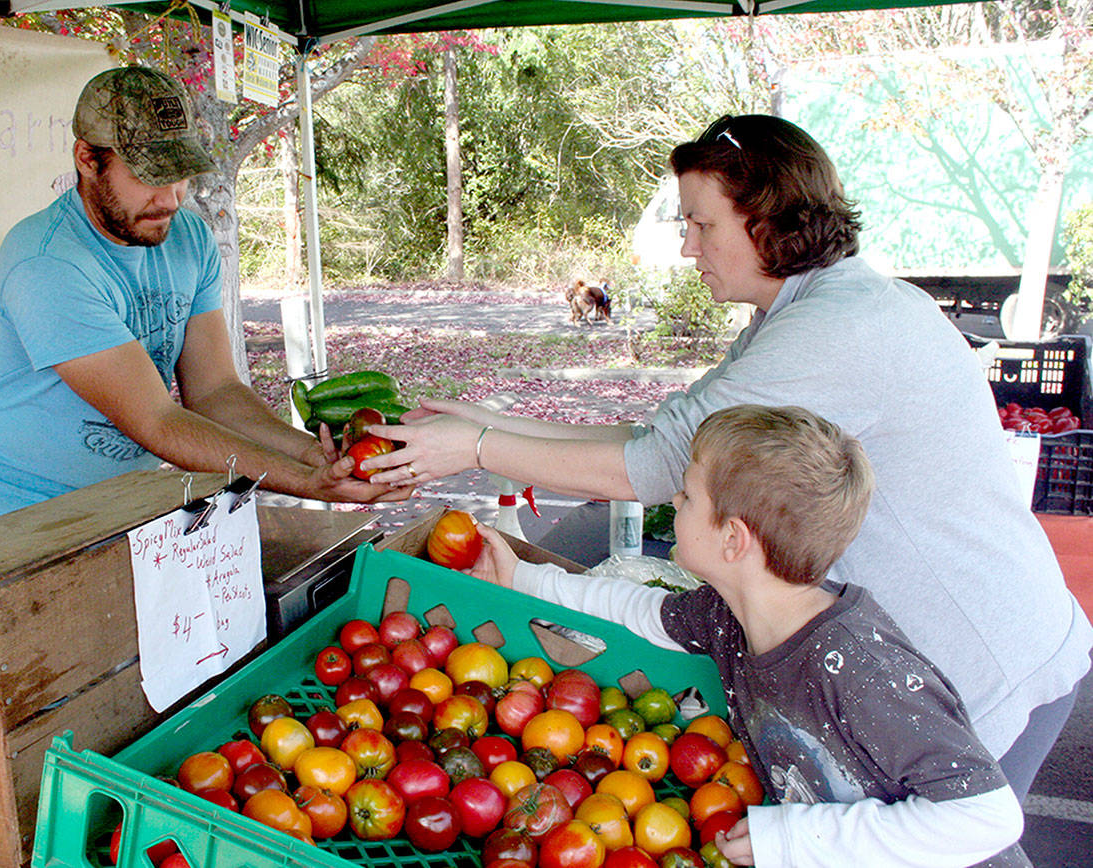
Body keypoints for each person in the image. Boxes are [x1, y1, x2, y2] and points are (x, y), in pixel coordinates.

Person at [369, 114, 1092, 796]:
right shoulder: (804, 311)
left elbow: (656, 468)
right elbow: (667, 439)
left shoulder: (838, 329)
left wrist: (478, 447)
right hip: (924, 655)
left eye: (702, 224)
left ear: (770, 221)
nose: (689, 247)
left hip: (979, 662)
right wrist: (491, 424)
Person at [468, 404, 1027, 867]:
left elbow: (986, 816)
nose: (673, 503)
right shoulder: (731, 616)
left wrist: (793, 840)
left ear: (733, 540)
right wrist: (525, 578)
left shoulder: (857, 668)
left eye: (688, 497)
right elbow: (638, 610)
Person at [0, 66, 404, 531]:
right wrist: (307, 483)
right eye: (149, 176)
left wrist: (316, 456)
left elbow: (216, 392)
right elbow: (156, 421)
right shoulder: (47, 262)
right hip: (8, 515)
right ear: (87, 159)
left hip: (118, 505)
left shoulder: (188, 238)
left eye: (180, 174)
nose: (171, 198)